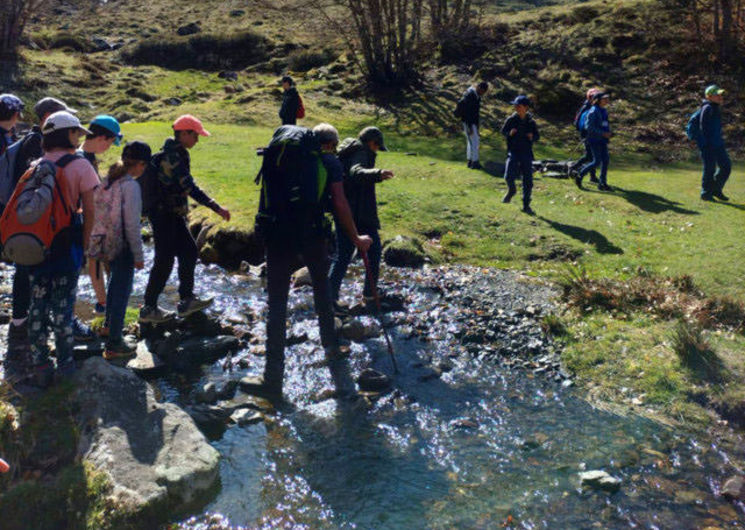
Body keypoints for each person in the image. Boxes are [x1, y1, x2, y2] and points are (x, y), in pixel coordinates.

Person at [241, 123, 372, 398]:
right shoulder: (330, 163)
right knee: (322, 289)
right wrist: (356, 237)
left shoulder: (278, 155)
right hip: (312, 235)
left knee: (277, 303)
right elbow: (339, 203)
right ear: (330, 144)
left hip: (277, 235)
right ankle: (331, 347)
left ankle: (272, 380)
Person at [26, 111, 99, 387]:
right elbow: (90, 212)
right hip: (66, 246)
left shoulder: (35, 165)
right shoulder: (80, 166)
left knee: (38, 304)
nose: (80, 137)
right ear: (67, 134)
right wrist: (88, 247)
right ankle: (66, 364)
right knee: (64, 307)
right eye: (76, 132)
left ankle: (40, 364)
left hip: (36, 246)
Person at [5, 98, 76, 374]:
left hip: (20, 223)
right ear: (48, 117)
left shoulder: (26, 141)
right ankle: (28, 331)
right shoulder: (38, 145)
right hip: (35, 225)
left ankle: (23, 327)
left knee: (25, 274)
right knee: (31, 276)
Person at [139, 115, 231, 323]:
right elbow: (189, 186)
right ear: (184, 133)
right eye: (195, 135)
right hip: (165, 216)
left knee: (188, 252)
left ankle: (186, 300)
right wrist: (216, 207)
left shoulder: (174, 153)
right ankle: (149, 308)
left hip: (172, 215)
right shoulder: (173, 157)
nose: (197, 140)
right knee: (164, 261)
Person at [329, 126, 393, 308]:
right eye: (377, 147)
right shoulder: (361, 152)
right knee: (374, 251)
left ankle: (329, 298)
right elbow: (356, 172)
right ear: (372, 143)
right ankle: (370, 294)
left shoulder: (349, 151)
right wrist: (377, 173)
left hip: (345, 211)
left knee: (343, 255)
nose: (377, 151)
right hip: (361, 213)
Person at [96, 142, 149, 360]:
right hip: (123, 245)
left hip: (106, 242)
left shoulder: (109, 179)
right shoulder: (131, 186)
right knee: (121, 292)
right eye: (144, 166)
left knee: (113, 284)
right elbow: (132, 225)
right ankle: (114, 344)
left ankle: (109, 327)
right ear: (139, 165)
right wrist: (138, 255)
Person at [79, 115, 123, 316]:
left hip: (93, 220)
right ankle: (105, 304)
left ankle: (107, 302)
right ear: (102, 138)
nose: (110, 147)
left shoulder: (87, 158)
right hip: (86, 221)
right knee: (95, 260)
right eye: (111, 142)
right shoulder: (81, 160)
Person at [500, 95, 540, 215]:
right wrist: (509, 133)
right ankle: (511, 190)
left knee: (528, 179)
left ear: (526, 108)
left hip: (526, 153)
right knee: (508, 175)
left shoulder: (531, 122)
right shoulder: (511, 119)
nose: (516, 107)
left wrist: (532, 137)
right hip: (513, 151)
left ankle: (526, 204)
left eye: (519, 105)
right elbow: (503, 131)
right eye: (515, 105)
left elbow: (537, 136)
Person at [698, 85, 731, 201]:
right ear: (709, 96)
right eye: (717, 95)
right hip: (708, 145)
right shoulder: (707, 108)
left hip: (718, 143)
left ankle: (716, 189)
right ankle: (706, 193)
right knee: (710, 168)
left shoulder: (715, 107)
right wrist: (708, 143)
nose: (720, 97)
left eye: (720, 94)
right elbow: (703, 127)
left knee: (726, 166)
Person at [576, 92, 613, 191]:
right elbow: (589, 127)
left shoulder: (604, 110)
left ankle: (602, 183)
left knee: (605, 160)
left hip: (602, 140)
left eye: (607, 98)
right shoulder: (593, 111)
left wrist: (609, 132)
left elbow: (604, 124)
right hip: (594, 140)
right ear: (599, 100)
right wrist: (602, 133)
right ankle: (580, 175)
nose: (606, 100)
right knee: (596, 161)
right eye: (604, 99)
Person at [570, 88, 600, 185]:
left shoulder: (591, 106)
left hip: (591, 134)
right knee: (590, 156)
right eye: (594, 97)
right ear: (590, 97)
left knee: (591, 156)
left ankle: (592, 176)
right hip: (587, 134)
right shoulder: (587, 108)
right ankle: (575, 168)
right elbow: (582, 124)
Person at [457, 81, 488, 169]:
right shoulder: (471, 95)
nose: (482, 93)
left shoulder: (475, 96)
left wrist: (476, 126)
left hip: (472, 122)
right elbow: (468, 112)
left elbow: (475, 113)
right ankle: (474, 162)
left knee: (473, 141)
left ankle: (471, 160)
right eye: (482, 91)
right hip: (468, 122)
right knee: (474, 142)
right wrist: (470, 126)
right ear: (478, 87)